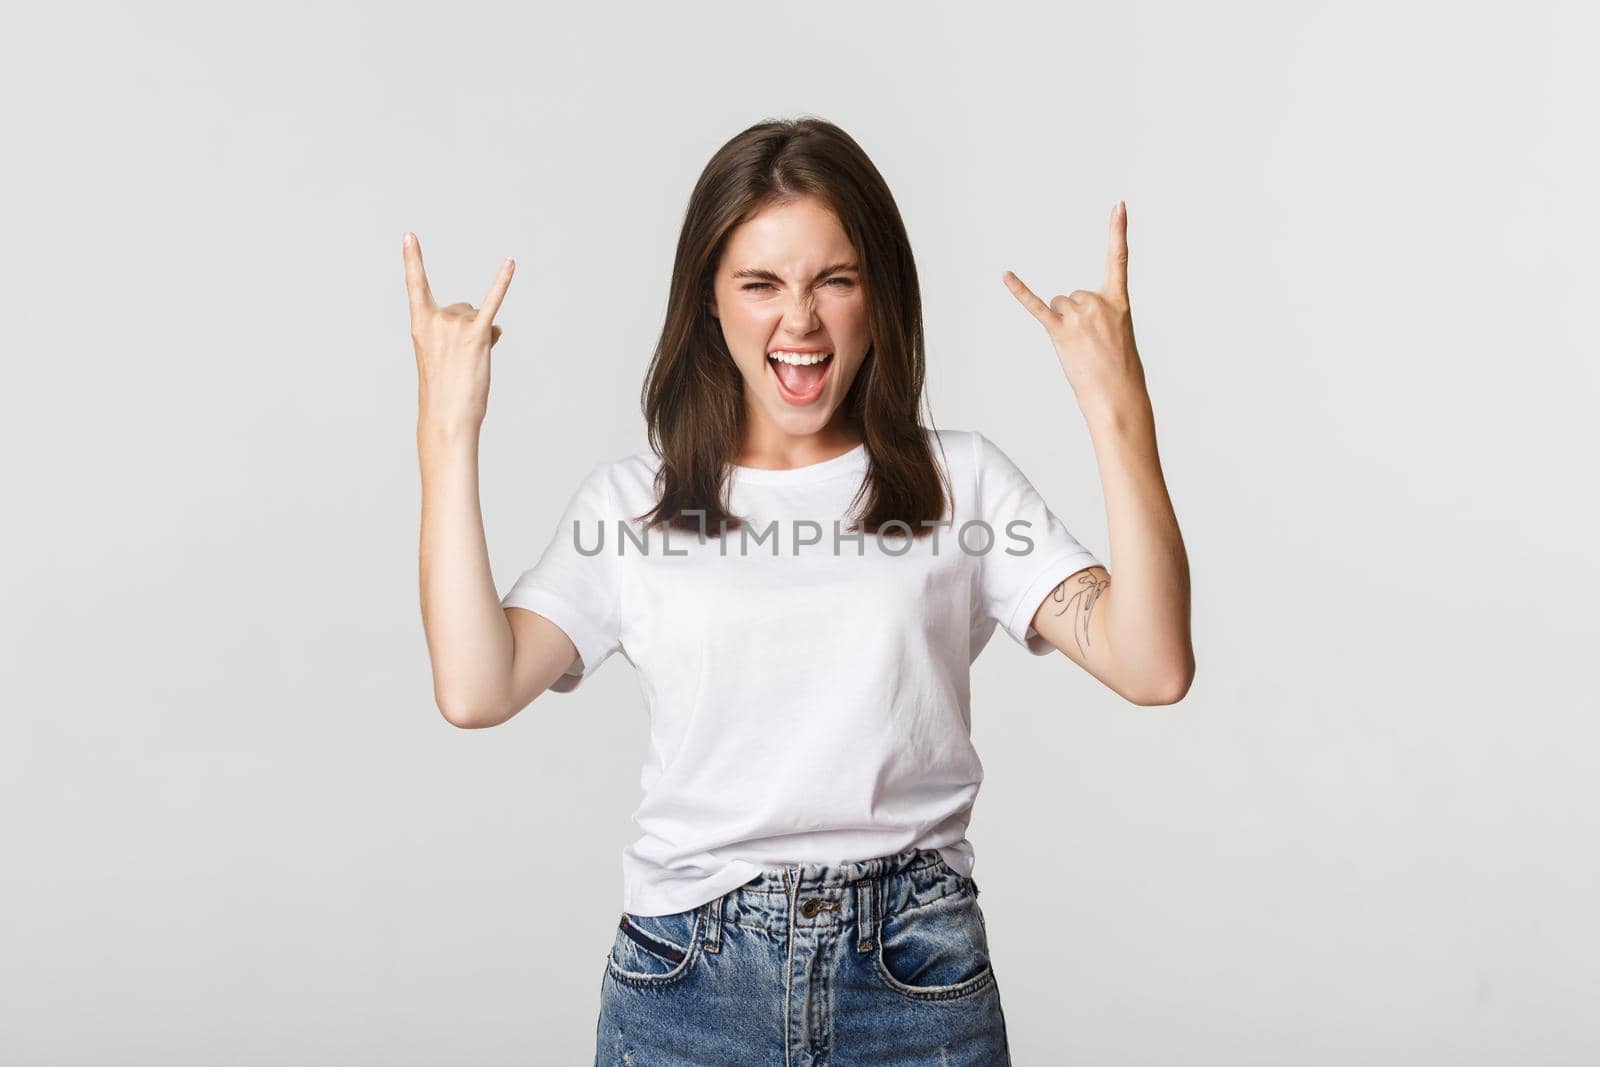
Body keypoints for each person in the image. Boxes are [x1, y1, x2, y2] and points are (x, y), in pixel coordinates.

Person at [406, 117, 1192, 1066]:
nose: (801, 320)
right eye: (761, 284)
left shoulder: (963, 487)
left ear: (879, 297)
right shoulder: (631, 508)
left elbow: (1151, 664)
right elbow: (475, 687)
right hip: (686, 984)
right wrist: (448, 429)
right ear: (709, 304)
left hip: (915, 978)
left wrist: (1118, 407)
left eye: (835, 280)